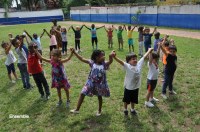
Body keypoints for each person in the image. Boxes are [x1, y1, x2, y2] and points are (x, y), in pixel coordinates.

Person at [70, 50, 115, 116]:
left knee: (99, 96)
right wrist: (74, 52)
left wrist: (110, 56)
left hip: (100, 84)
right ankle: (77, 109)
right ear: (96, 57)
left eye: (104, 55)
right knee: (82, 93)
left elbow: (110, 61)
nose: (104, 57)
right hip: (90, 82)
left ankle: (99, 110)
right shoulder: (92, 63)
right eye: (102, 55)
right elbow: (82, 58)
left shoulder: (104, 64)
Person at [113, 48, 153, 115]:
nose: (135, 60)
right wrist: (114, 57)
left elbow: (144, 57)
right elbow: (121, 62)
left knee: (133, 100)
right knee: (126, 100)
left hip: (135, 87)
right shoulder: (128, 66)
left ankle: (132, 109)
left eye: (135, 58)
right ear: (128, 61)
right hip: (128, 88)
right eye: (133, 59)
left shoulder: (139, 65)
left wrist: (149, 51)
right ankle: (125, 109)